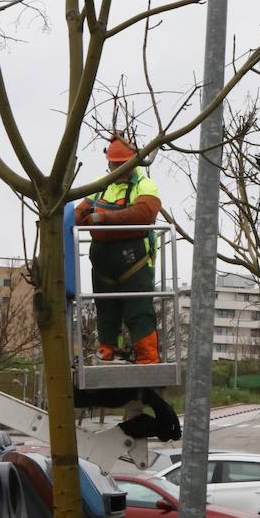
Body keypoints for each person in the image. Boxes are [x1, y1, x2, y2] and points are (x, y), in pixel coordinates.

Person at [74, 135, 162, 364]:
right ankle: (109, 353)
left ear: (134, 161)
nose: (119, 168)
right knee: (105, 312)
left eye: (124, 163)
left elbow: (144, 213)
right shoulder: (99, 186)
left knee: (139, 312)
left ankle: (147, 358)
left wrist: (103, 218)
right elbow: (78, 216)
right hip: (103, 265)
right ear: (109, 163)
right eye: (115, 164)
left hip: (135, 264)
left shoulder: (144, 185)